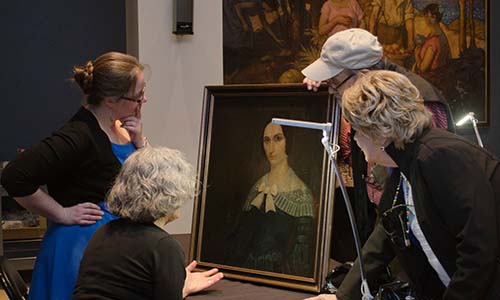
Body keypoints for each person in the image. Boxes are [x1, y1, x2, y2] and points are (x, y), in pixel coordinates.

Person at [306, 70, 500, 299]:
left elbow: (479, 251)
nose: (354, 139)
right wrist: (342, 296)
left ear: (378, 131)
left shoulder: (440, 156)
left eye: (356, 130)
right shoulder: (404, 165)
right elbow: (383, 239)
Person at [1, 51, 149, 299]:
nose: (143, 101)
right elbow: (14, 176)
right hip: (81, 252)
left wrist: (139, 141)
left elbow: (149, 180)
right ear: (111, 100)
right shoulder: (78, 135)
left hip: (112, 249)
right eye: (137, 96)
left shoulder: (121, 128)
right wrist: (62, 213)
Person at [301, 28, 454, 262]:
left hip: (422, 232)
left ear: (362, 75)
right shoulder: (364, 94)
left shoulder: (421, 104)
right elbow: (347, 151)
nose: (333, 91)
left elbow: (422, 186)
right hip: (385, 220)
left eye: (335, 83)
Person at [73, 147, 223, 300]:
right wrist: (179, 288)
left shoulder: (105, 231)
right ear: (171, 194)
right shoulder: (163, 246)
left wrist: (174, 280)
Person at [228, 122, 315, 276]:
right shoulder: (257, 186)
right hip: (246, 272)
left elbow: (302, 259)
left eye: (278, 139)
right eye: (266, 140)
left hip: (279, 276)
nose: (271, 148)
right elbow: (240, 239)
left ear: (289, 142)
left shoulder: (301, 193)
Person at [412, 4, 451, 80]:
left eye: (432, 17)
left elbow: (422, 69)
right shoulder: (440, 35)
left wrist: (417, 56)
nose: (428, 20)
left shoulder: (433, 42)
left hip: (429, 79)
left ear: (437, 18)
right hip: (439, 75)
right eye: (426, 16)